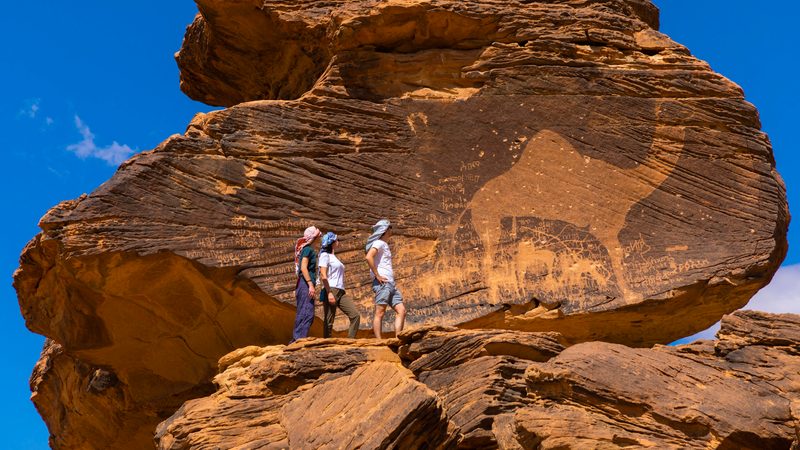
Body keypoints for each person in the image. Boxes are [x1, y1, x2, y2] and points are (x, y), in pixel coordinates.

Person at [365, 219, 407, 339]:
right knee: (380, 312)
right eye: (390, 227)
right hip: (382, 283)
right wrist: (377, 275)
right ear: (385, 230)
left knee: (401, 310)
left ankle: (398, 338)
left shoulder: (384, 244)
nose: (391, 230)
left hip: (390, 284)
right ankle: (379, 341)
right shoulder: (378, 243)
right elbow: (369, 257)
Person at [318, 232, 361, 338]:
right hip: (331, 289)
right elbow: (323, 275)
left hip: (341, 291)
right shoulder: (324, 255)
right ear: (332, 242)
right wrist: (329, 293)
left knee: (355, 315)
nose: (339, 242)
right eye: (337, 240)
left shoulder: (333, 256)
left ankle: (350, 342)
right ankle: (326, 345)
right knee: (329, 320)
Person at [291, 225, 321, 343]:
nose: (321, 236)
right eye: (319, 235)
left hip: (304, 284)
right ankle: (298, 340)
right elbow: (303, 268)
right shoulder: (308, 249)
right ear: (314, 237)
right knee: (306, 312)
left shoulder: (309, 250)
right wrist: (310, 285)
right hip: (305, 284)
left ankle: (297, 339)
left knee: (306, 312)